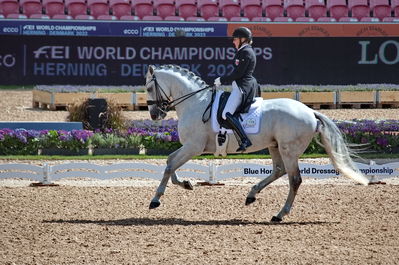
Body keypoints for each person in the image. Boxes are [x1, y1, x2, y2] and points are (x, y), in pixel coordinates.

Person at [214, 27, 258, 152]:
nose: (233, 41)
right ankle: (223, 132)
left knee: (226, 113)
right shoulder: (244, 51)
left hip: (242, 87)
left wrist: (222, 80)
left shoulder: (246, 52)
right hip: (241, 85)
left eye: (235, 39)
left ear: (243, 39)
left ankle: (244, 139)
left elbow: (238, 74)